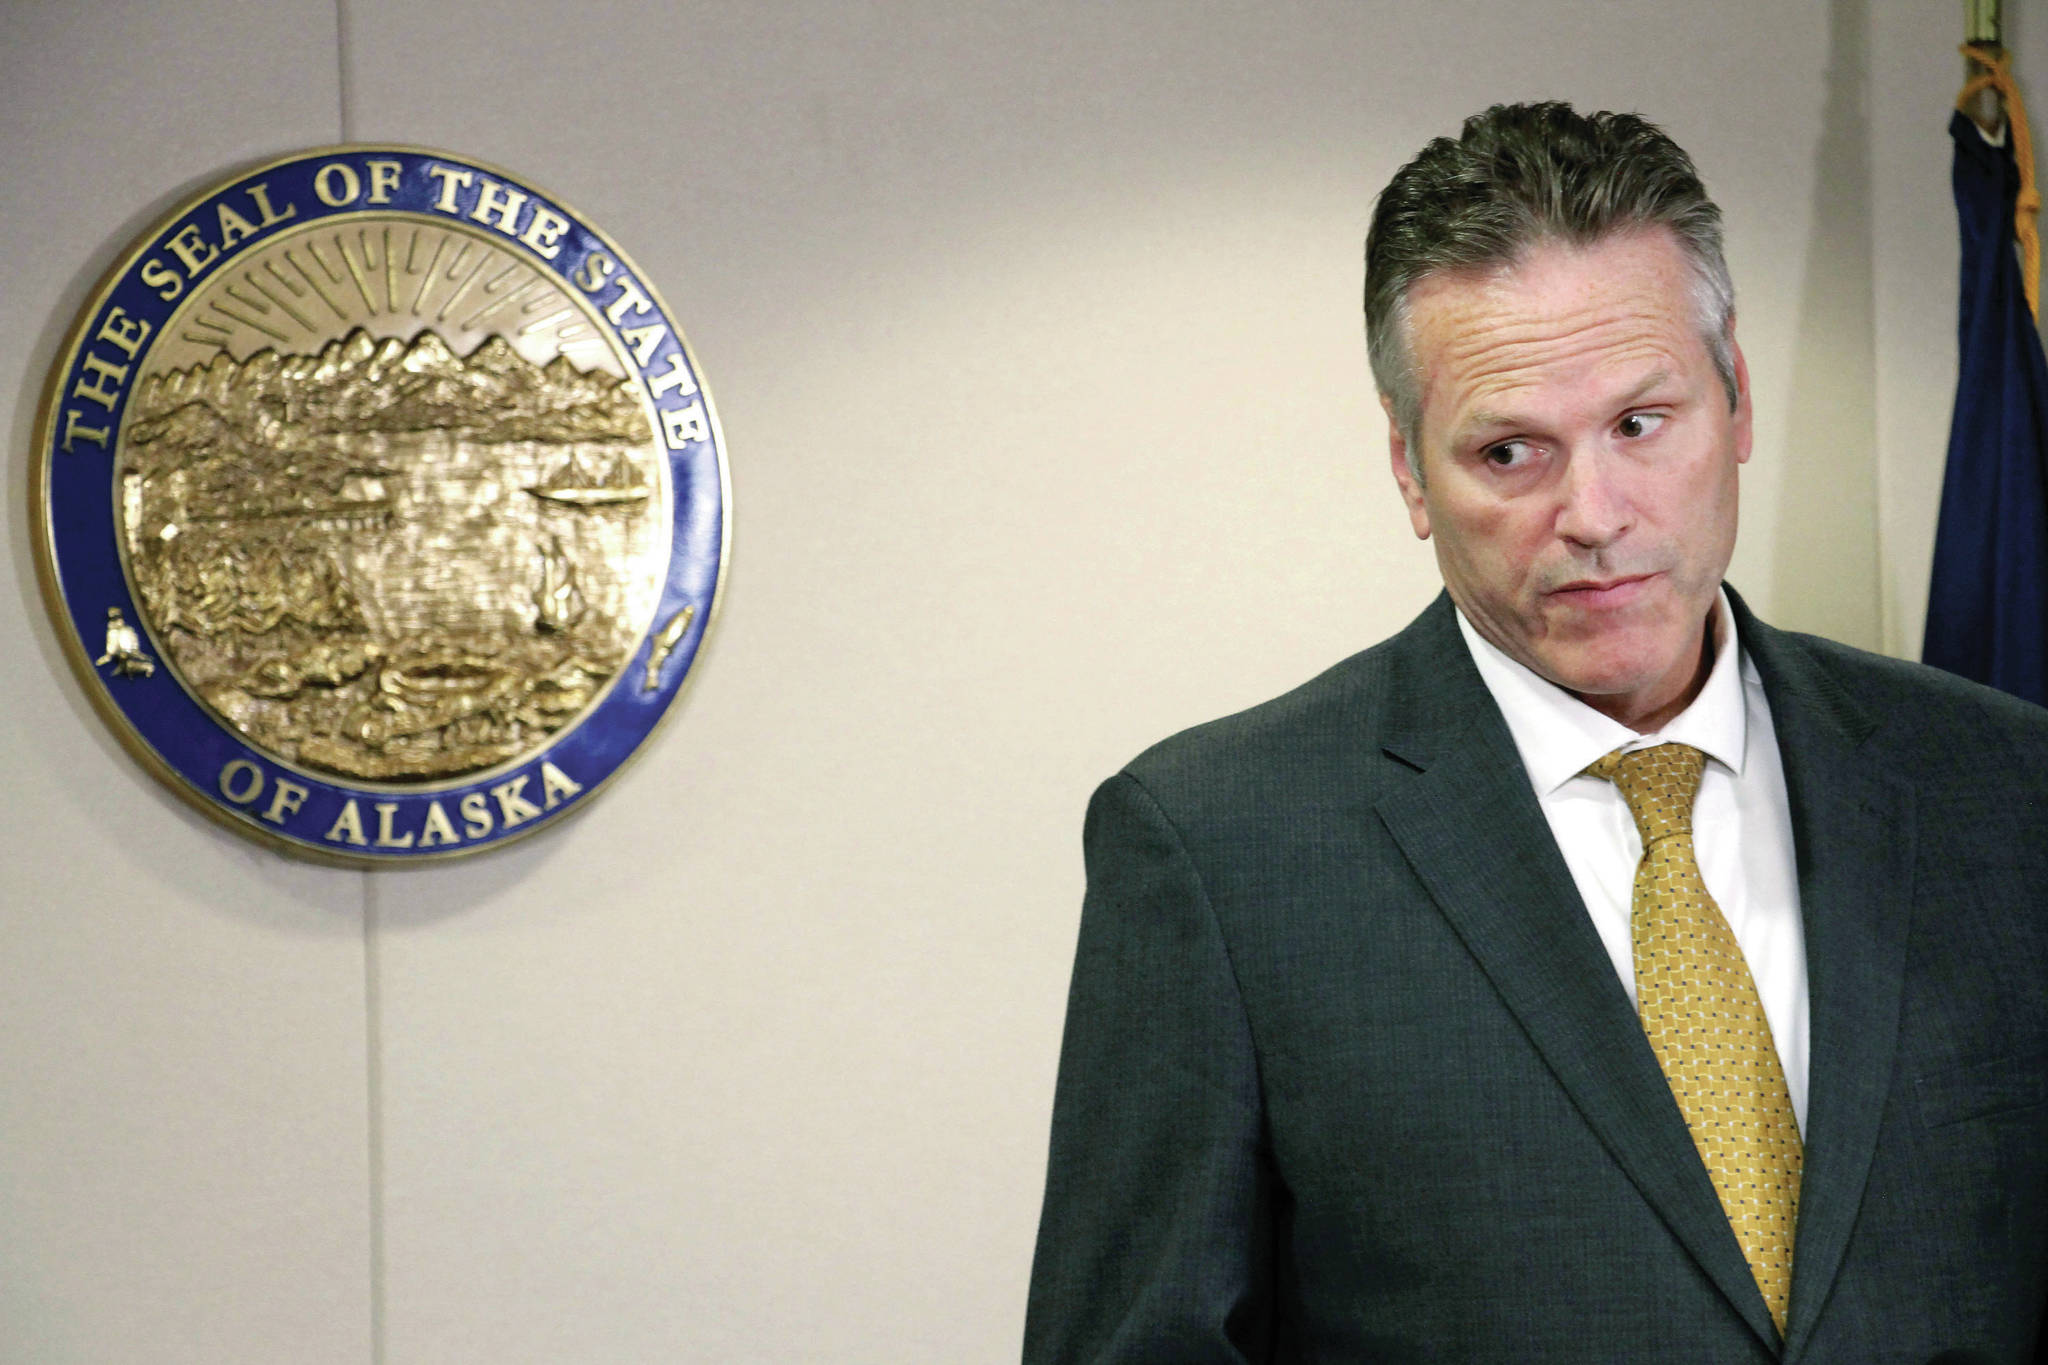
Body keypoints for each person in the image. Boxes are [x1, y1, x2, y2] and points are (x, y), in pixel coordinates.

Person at [1024, 102, 2048, 1363]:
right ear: (1408, 472)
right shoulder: (1218, 852)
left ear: (1734, 404)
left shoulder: (2005, 788)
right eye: (1509, 450)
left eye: (1638, 424)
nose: (1592, 514)